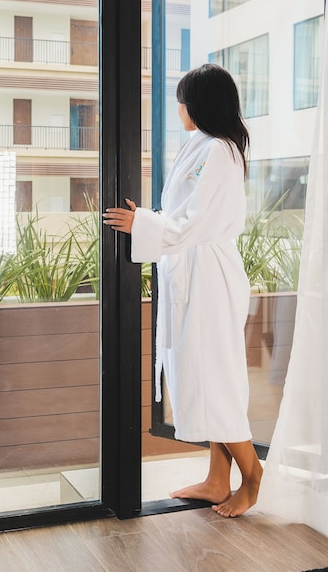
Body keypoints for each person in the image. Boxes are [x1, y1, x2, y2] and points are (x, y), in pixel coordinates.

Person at [103, 62, 262, 517]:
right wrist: (151, 221)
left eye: (183, 100)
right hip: (191, 270)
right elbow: (183, 214)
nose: (179, 108)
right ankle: (217, 479)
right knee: (200, 373)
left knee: (216, 379)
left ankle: (252, 477)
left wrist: (144, 224)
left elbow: (195, 222)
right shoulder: (200, 145)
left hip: (210, 277)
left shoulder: (222, 151)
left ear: (200, 104)